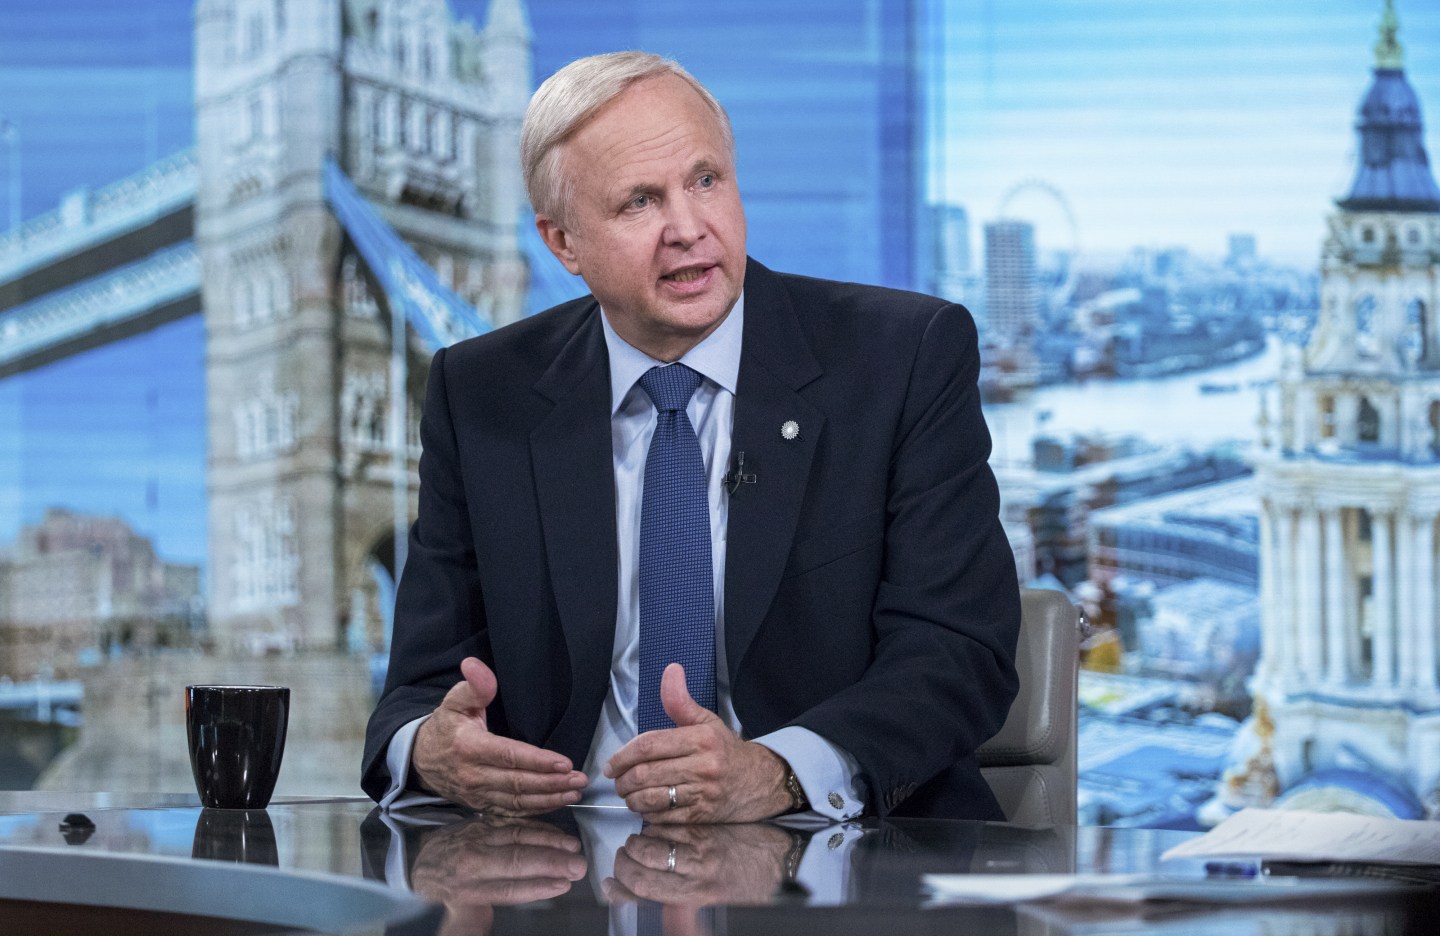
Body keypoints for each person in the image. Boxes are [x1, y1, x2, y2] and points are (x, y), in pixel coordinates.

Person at [361, 51, 1021, 823]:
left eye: (706, 181)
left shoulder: (901, 358)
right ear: (563, 244)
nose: (688, 229)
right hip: (562, 863)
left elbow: (958, 653)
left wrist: (777, 772)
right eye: (639, 202)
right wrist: (430, 749)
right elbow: (417, 689)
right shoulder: (482, 394)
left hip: (830, 849)